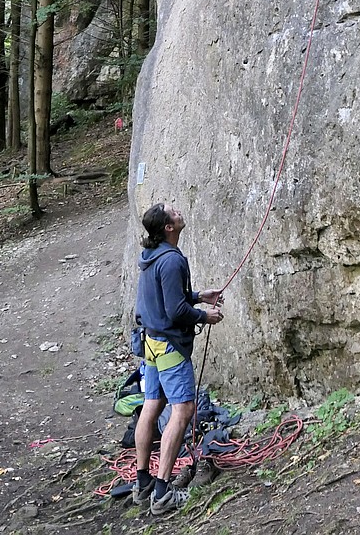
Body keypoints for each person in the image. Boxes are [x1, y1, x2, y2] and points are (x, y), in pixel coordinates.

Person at [131, 202, 224, 515]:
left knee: (152, 405)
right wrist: (203, 315)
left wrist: (199, 296)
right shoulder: (171, 261)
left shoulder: (152, 256)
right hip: (169, 346)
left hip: (151, 343)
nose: (177, 210)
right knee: (182, 409)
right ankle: (162, 493)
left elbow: (165, 298)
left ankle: (143, 483)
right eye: (171, 211)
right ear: (168, 227)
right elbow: (176, 311)